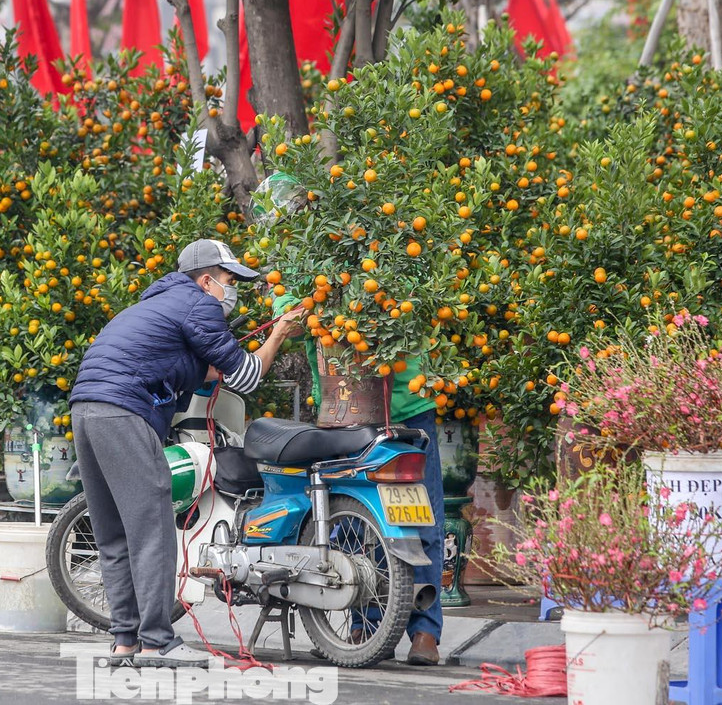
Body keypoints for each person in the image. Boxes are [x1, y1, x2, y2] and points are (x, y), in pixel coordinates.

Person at [68, 238, 307, 668]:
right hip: (124, 412)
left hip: (86, 410)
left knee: (114, 532)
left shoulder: (155, 305)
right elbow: (247, 377)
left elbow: (199, 368)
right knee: (153, 527)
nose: (231, 290)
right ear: (206, 280)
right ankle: (157, 643)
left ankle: (126, 642)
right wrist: (278, 334)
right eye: (229, 280)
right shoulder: (199, 305)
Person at [272, 289, 446, 666]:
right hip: (343, 408)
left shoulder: (402, 267)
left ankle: (425, 631)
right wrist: (313, 307)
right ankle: (364, 625)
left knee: (420, 519)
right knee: (352, 520)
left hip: (408, 404)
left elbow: (423, 303)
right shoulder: (313, 269)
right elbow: (286, 310)